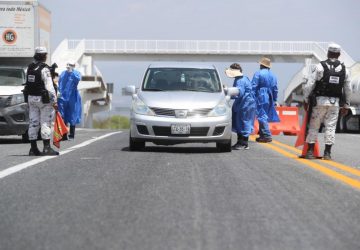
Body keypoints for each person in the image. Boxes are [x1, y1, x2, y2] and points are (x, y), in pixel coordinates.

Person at [303, 43, 351, 160]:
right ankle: (327, 153)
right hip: (335, 104)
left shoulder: (320, 66)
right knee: (330, 127)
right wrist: (346, 105)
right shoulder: (345, 69)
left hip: (319, 102)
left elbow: (310, 84)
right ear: (339, 55)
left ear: (328, 53)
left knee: (314, 126)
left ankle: (310, 152)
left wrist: (305, 99)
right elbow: (347, 89)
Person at [23, 47, 59, 156]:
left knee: (33, 123)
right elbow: (50, 88)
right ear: (44, 56)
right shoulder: (44, 69)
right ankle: (47, 148)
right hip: (43, 100)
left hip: (31, 98)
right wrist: (55, 102)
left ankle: (33, 149)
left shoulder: (30, 67)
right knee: (45, 122)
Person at [225, 63, 256, 150]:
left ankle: (243, 143)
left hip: (245, 104)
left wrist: (228, 94)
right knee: (243, 122)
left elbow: (239, 92)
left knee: (243, 122)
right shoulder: (244, 78)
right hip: (247, 103)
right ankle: (242, 142)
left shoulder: (240, 81)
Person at [251, 57, 280, 143]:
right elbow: (275, 88)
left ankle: (267, 135)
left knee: (261, 115)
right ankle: (262, 135)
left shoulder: (258, 73)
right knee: (264, 115)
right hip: (269, 96)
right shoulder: (273, 75)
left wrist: (251, 97)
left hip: (261, 95)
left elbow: (253, 86)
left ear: (261, 65)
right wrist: (274, 99)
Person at [58, 61, 82, 140]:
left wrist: (72, 72)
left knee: (73, 115)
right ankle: (64, 135)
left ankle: (71, 135)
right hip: (63, 97)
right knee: (63, 115)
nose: (69, 66)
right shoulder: (63, 73)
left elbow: (78, 79)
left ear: (74, 66)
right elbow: (59, 84)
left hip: (73, 97)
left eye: (71, 65)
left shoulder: (76, 73)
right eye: (68, 65)